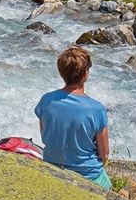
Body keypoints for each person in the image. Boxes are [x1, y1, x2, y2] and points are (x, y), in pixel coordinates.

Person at [34, 46, 112, 189]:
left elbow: (46, 136)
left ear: (61, 72)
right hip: (88, 176)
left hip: (53, 169)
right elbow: (104, 154)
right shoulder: (96, 109)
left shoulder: (46, 101)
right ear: (85, 74)